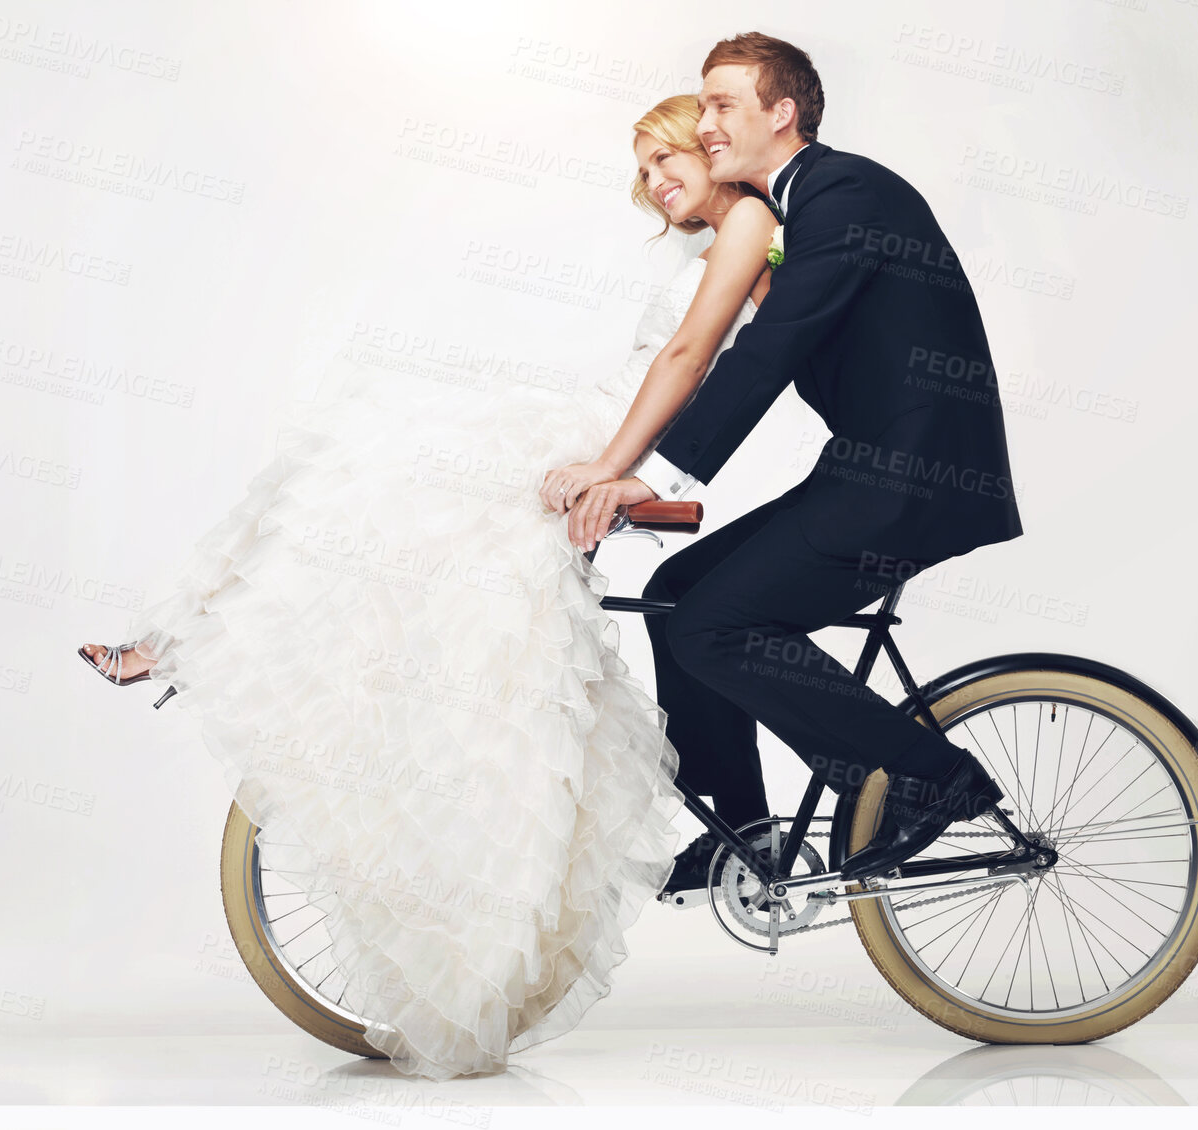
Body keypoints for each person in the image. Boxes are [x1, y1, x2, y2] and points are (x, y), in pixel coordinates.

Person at [78, 94, 779, 1079]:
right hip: (604, 433)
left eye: (674, 158)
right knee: (359, 476)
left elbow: (685, 356)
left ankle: (194, 640)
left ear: (726, 153)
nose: (659, 181)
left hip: (605, 438)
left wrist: (613, 466)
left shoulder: (750, 218)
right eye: (647, 167)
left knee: (378, 469)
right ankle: (192, 635)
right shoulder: (716, 233)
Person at [563, 33, 1026, 891]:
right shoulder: (793, 210)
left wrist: (656, 476)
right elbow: (766, 354)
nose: (705, 124)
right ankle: (741, 831)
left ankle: (926, 774)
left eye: (722, 105)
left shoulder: (844, 193)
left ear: (783, 113)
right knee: (675, 595)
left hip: (910, 482)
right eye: (701, 106)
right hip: (865, 471)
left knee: (717, 626)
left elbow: (764, 355)